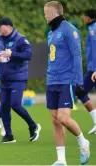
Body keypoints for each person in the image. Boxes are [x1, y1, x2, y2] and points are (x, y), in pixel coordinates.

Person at [44, 1, 90, 165]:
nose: (44, 17)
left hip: (66, 80)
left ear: (53, 14)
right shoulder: (51, 32)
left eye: (45, 14)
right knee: (55, 120)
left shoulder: (70, 30)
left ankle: (83, 141)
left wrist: (78, 81)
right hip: (52, 81)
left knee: (64, 118)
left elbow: (77, 55)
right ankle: (61, 160)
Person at [0, 17, 41, 143]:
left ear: (8, 26)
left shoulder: (20, 39)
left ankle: (33, 126)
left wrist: (12, 54)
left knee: (15, 104)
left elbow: (28, 55)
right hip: (4, 78)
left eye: (0, 26)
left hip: (18, 78)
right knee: (4, 107)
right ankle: (9, 135)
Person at [76, 8, 96, 134]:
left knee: (79, 90)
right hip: (92, 68)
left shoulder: (93, 31)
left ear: (89, 18)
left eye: (84, 16)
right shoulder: (91, 29)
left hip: (93, 70)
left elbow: (95, 51)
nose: (83, 19)